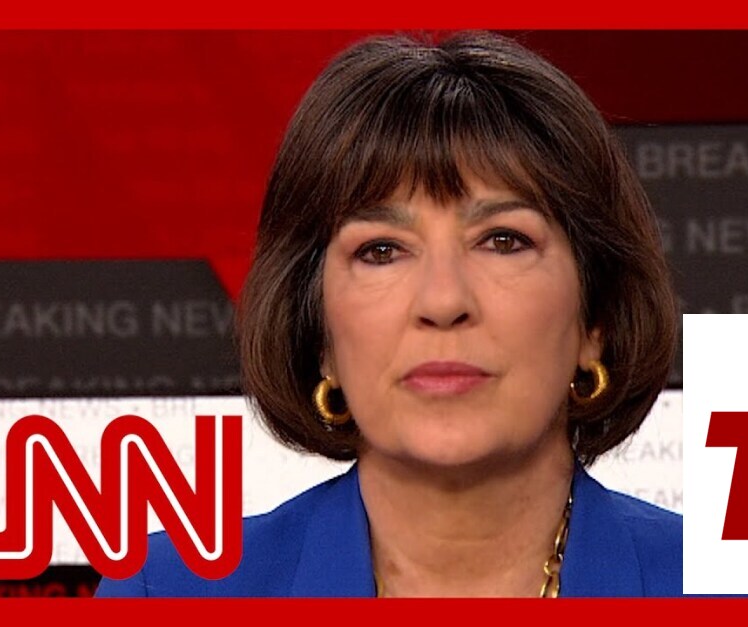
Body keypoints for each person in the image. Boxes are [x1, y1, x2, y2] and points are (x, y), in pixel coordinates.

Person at [96, 30, 680, 598]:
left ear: (595, 320)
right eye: (381, 251)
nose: (443, 302)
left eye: (502, 241)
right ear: (319, 334)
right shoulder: (167, 592)